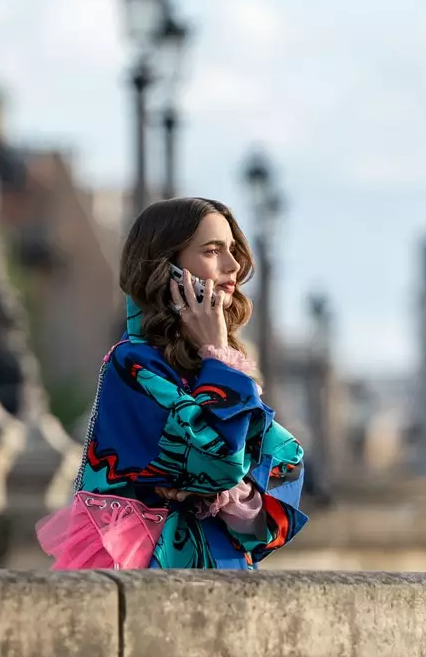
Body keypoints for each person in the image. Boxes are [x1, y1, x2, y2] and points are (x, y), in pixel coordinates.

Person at [37, 197, 308, 569]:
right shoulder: (132, 364)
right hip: (154, 578)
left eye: (232, 250)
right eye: (212, 251)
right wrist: (218, 358)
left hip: (225, 575)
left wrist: (212, 477)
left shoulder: (217, 367)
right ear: (168, 269)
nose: (233, 266)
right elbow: (222, 464)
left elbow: (285, 465)